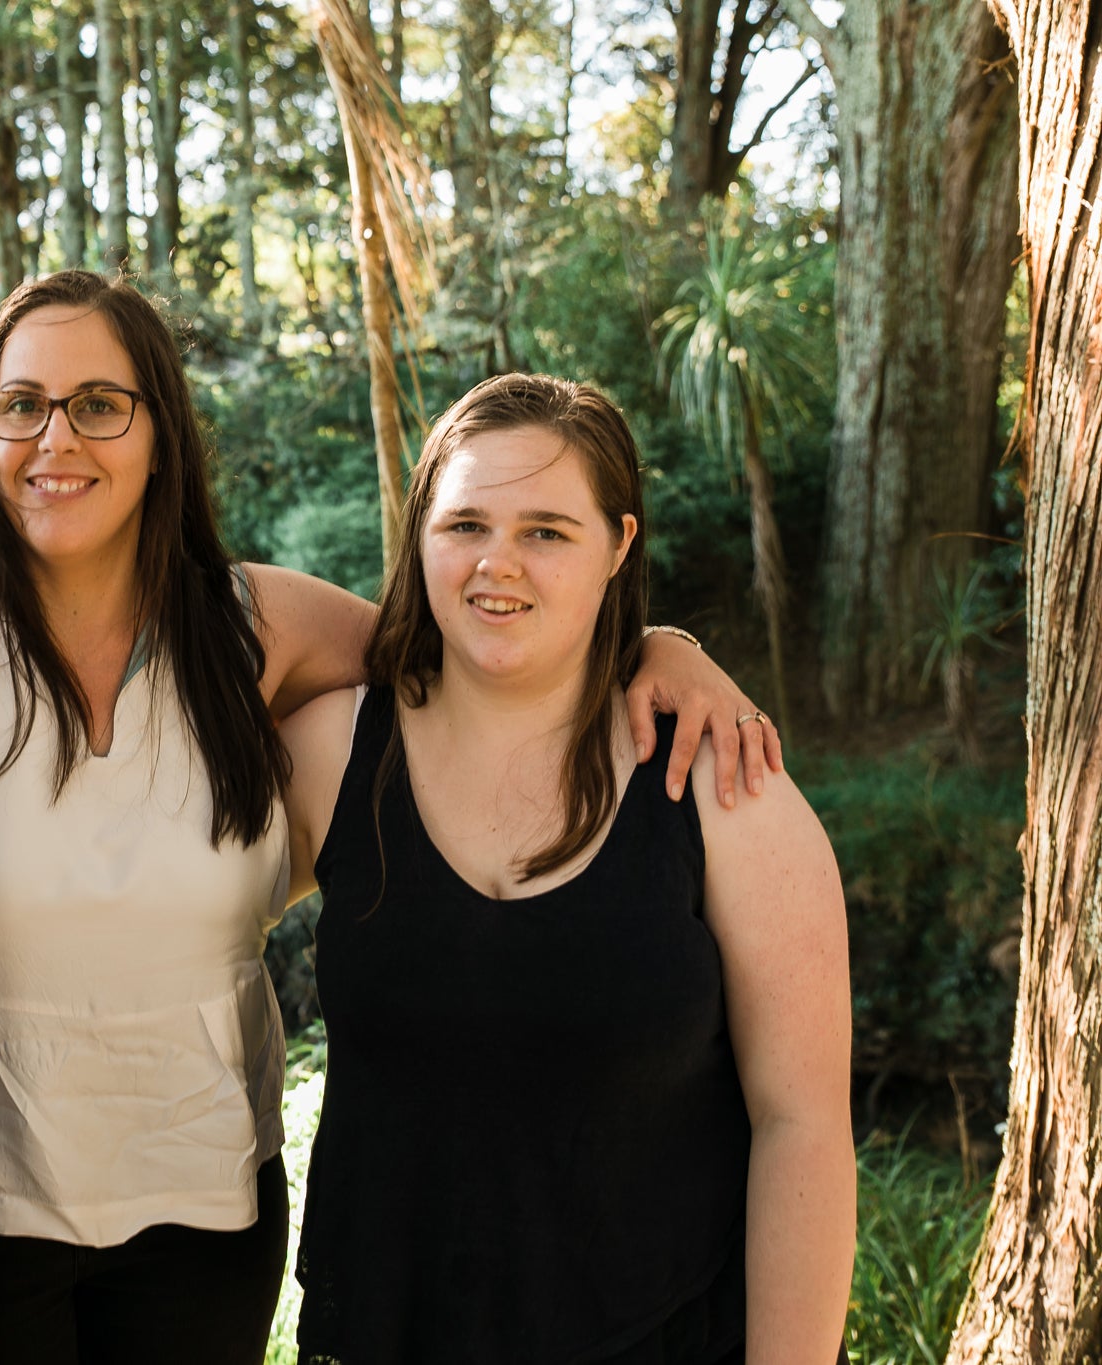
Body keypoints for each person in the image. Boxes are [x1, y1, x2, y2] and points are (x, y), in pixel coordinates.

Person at [0, 273, 782, 1363]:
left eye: (101, 404)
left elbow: (482, 640)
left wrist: (658, 643)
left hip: (211, 1214)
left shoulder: (257, 626)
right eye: (23, 404)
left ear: (162, 427)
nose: (59, 439)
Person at [280, 373, 854, 1364]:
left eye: (546, 531)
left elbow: (799, 1124)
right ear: (418, 534)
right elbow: (162, 915)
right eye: (464, 525)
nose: (497, 564)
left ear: (617, 547)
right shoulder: (331, 753)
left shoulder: (722, 782)